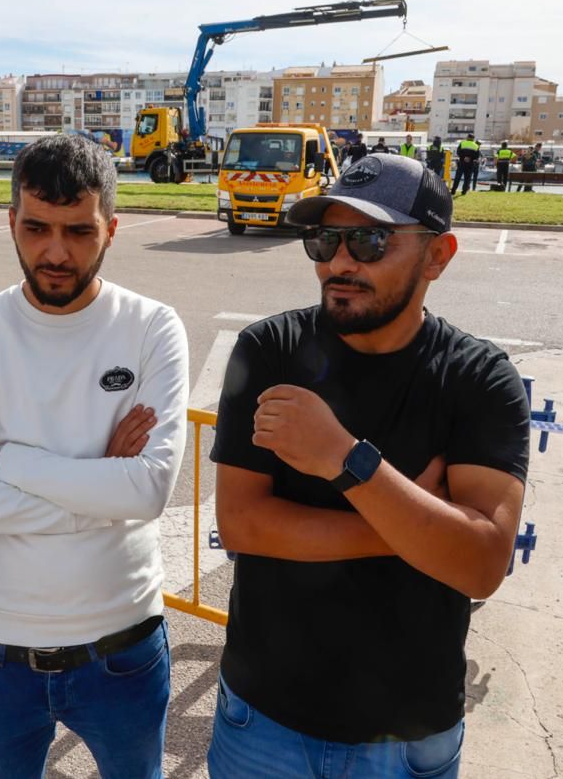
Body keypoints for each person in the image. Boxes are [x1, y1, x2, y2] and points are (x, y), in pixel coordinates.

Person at [206, 154, 529, 779]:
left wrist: (344, 459)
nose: (339, 263)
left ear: (438, 256)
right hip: (263, 720)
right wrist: (412, 528)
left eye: (371, 240)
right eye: (325, 239)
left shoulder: (478, 379)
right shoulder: (270, 352)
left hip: (407, 738)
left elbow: (481, 564)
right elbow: (243, 525)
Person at [0, 134, 190, 779]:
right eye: (37, 227)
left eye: (78, 230)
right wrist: (98, 487)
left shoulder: (153, 326)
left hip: (122, 648)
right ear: (11, 222)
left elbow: (147, 492)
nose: (55, 250)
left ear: (111, 230)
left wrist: (9, 462)